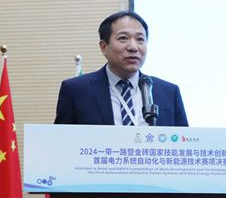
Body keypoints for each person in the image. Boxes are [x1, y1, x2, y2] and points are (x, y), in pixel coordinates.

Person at [54, 11, 188, 126]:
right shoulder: (76, 90)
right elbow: (61, 141)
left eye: (140, 39)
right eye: (123, 38)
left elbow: (184, 142)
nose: (133, 47)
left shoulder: (169, 92)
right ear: (103, 47)